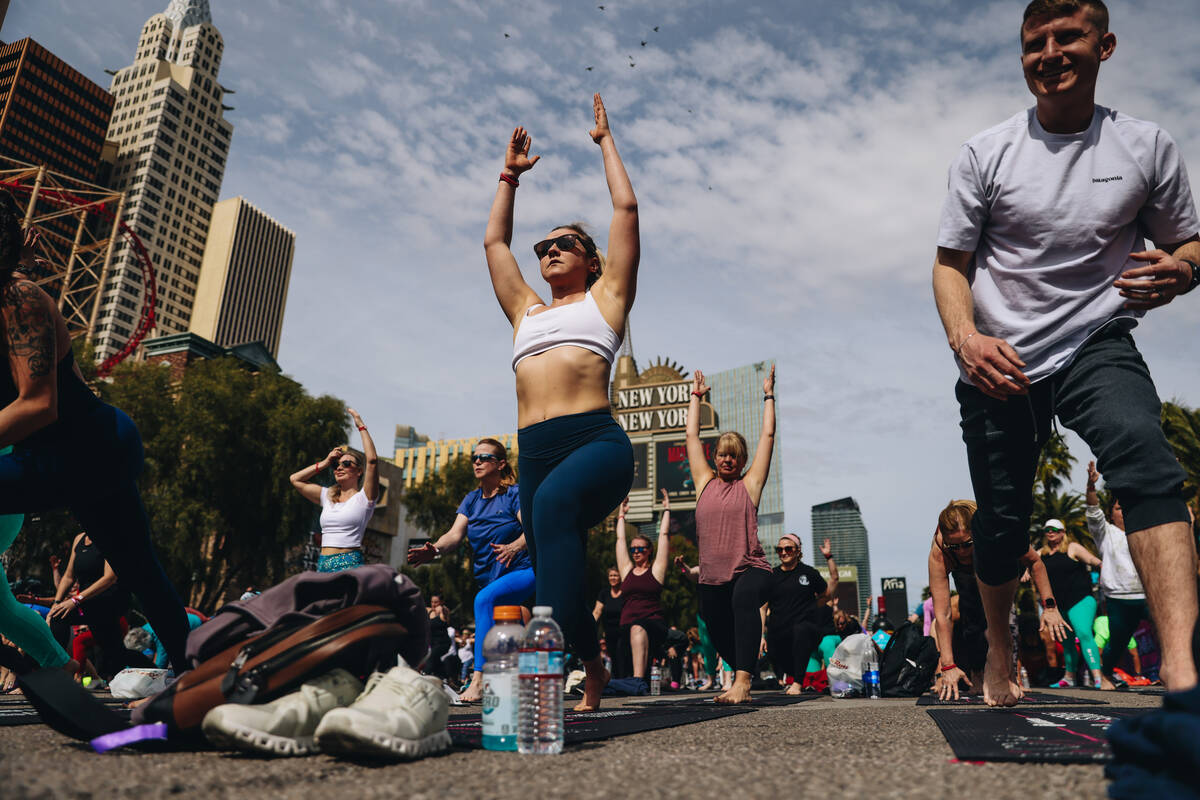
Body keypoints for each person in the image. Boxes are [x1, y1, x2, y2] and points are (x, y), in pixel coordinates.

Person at [931, 0, 1200, 704]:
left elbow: (1186, 243)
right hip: (1000, 359)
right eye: (1034, 42)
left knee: (1145, 459)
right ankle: (997, 651)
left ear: (1104, 46)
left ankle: (1182, 669)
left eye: (1067, 37)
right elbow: (950, 265)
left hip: (1095, 342)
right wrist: (966, 339)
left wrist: (1186, 269)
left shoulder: (1145, 146)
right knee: (999, 524)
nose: (1049, 53)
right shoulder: (986, 153)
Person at [484, 93, 639, 711]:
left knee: (550, 510)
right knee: (555, 574)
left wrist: (604, 141)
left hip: (595, 445)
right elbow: (496, 245)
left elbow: (626, 207)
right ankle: (593, 662)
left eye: (565, 244)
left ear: (591, 259)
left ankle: (539, 679)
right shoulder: (525, 310)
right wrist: (508, 178)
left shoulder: (606, 300)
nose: (548, 251)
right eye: (544, 247)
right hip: (537, 454)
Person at [0, 193, 189, 673]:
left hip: (96, 445)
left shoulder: (18, 297)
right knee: (140, 568)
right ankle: (195, 673)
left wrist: (16, 259)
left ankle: (194, 673)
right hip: (65, 456)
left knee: (138, 568)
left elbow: (39, 404)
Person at [408, 438, 534, 702]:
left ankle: (477, 681)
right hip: (490, 577)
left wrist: (515, 546)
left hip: (524, 570)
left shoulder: (513, 494)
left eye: (483, 458)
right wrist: (435, 550)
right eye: (474, 458)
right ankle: (520, 685)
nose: (476, 462)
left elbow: (533, 531)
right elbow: (454, 535)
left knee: (484, 600)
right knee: (509, 630)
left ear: (500, 464)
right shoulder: (472, 500)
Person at [685, 363, 776, 704]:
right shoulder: (703, 483)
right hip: (712, 579)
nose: (727, 459)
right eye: (722, 453)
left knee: (742, 599)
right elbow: (691, 437)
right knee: (717, 627)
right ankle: (743, 668)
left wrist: (768, 396)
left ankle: (743, 681)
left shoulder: (749, 486)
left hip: (751, 569)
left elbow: (767, 437)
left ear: (741, 462)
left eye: (734, 456)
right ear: (715, 456)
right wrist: (696, 397)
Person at [928, 500, 1069, 700]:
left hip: (997, 556)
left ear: (976, 532)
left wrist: (1050, 606)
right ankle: (978, 675)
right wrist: (948, 665)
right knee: (971, 613)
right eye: (955, 546)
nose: (962, 551)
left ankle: (1010, 676)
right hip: (965, 574)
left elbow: (1035, 562)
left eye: (967, 544)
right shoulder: (940, 552)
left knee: (1004, 617)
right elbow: (943, 614)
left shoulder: (998, 531)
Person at [1083, 460, 1151, 689]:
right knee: (1118, 642)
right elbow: (1093, 512)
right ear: (1111, 514)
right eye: (1119, 508)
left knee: (1170, 634)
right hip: (1119, 598)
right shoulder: (1106, 533)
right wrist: (1091, 487)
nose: (1124, 512)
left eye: (1127, 508)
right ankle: (1105, 674)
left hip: (1149, 594)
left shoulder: (1145, 530)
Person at [288, 409, 379, 573]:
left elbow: (372, 460)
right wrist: (325, 462)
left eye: (346, 464)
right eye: (336, 465)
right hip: (322, 566)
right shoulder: (328, 495)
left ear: (359, 472)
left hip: (349, 566)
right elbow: (295, 479)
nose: (339, 468)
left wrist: (360, 426)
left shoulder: (364, 499)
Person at [46, 531, 130, 679]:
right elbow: (68, 576)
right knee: (58, 616)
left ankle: (152, 671)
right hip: (86, 601)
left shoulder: (109, 537)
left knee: (113, 651)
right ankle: (59, 668)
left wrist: (75, 600)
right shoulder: (79, 538)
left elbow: (110, 578)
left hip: (108, 599)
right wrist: (57, 602)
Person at [1037, 518, 1107, 688]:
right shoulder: (1041, 553)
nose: (1050, 532)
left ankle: (1097, 676)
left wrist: (1103, 566)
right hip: (1059, 606)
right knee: (1066, 641)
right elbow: (1030, 565)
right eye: (1047, 530)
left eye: (1054, 529)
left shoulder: (1072, 548)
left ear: (1062, 532)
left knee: (1083, 633)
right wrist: (1025, 572)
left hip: (1080, 600)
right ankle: (1069, 677)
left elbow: (1091, 560)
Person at [765, 534, 836, 695]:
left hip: (805, 626)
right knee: (774, 654)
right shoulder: (772, 575)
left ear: (798, 551)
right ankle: (793, 676)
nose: (784, 552)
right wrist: (761, 633)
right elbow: (763, 606)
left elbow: (826, 594)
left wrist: (812, 607)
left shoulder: (809, 573)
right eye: (780, 549)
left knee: (801, 632)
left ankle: (797, 682)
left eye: (788, 548)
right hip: (778, 628)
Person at [614, 491, 672, 682]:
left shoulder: (656, 571)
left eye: (641, 549)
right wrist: (621, 514)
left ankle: (638, 680)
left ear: (649, 552)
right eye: (633, 549)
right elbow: (620, 540)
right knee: (621, 662)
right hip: (627, 624)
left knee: (638, 628)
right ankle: (634, 680)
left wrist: (667, 509)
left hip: (652, 622)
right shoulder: (626, 570)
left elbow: (663, 536)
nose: (636, 552)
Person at [592, 566, 628, 678]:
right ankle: (617, 681)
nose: (613, 578)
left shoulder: (625, 593)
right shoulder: (604, 593)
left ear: (621, 577)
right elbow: (597, 611)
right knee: (613, 658)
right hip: (609, 632)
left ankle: (624, 680)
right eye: (611, 575)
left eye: (615, 575)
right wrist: (589, 625)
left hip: (623, 632)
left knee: (622, 656)